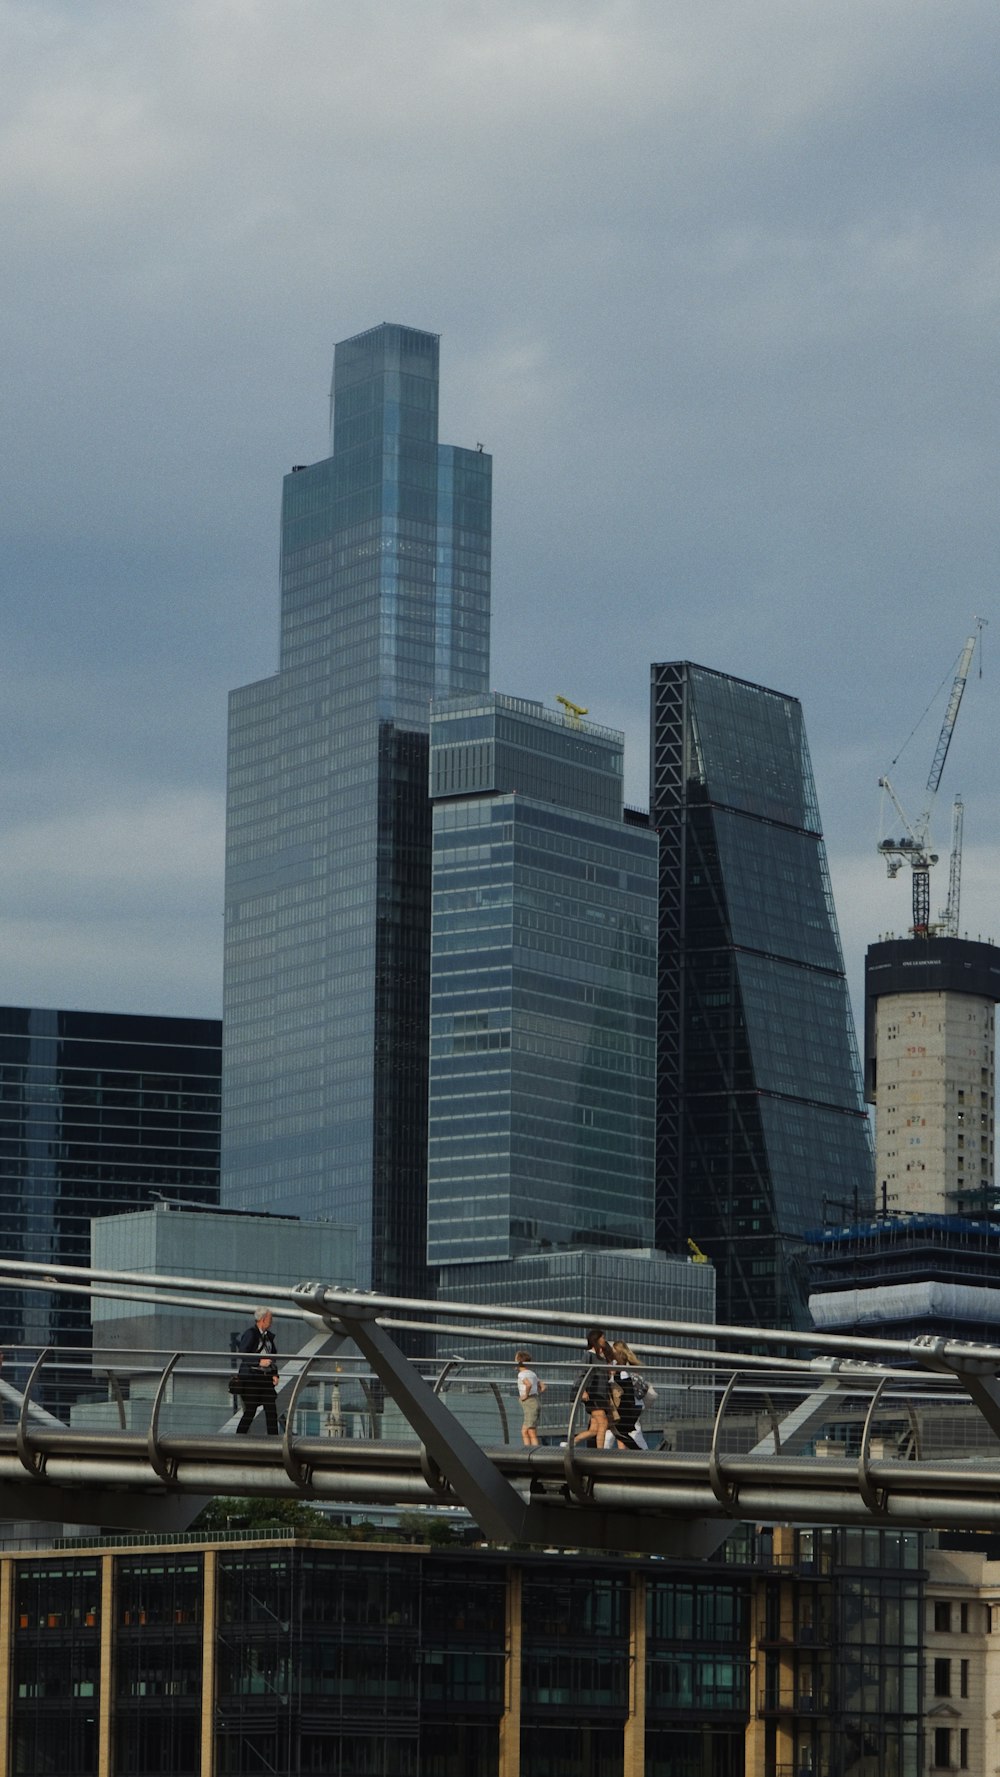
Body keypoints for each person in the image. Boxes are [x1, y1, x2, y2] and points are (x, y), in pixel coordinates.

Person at [235, 1307, 280, 1435]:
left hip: (265, 1378)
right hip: (252, 1378)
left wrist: (275, 1374)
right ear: (263, 1319)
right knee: (251, 1410)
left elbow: (273, 1357)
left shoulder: (268, 1337)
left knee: (271, 1409)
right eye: (270, 1319)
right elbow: (243, 1353)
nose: (271, 1322)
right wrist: (258, 1362)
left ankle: (274, 1439)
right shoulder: (251, 1333)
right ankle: (238, 1437)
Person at [573, 1328, 612, 1448]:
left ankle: (572, 1441)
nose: (605, 1340)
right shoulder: (589, 1355)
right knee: (603, 1422)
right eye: (603, 1338)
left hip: (602, 1394)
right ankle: (600, 1453)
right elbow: (581, 1374)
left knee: (594, 1429)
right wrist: (583, 1390)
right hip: (593, 1393)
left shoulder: (602, 1357)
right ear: (596, 1340)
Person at [608, 1341, 646, 1451]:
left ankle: (640, 1453)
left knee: (619, 1431)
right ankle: (637, 1453)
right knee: (620, 1431)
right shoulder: (626, 1366)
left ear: (618, 1352)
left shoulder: (622, 1369)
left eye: (613, 1351)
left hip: (629, 1406)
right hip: (633, 1405)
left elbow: (626, 1389)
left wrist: (612, 1374)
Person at [515, 1349, 543, 1447]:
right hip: (535, 1401)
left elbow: (528, 1384)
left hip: (529, 1402)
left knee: (529, 1431)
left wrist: (526, 1395)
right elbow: (543, 1387)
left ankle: (531, 1452)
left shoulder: (521, 1374)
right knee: (528, 1431)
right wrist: (536, 1393)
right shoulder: (532, 1373)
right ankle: (529, 1451)